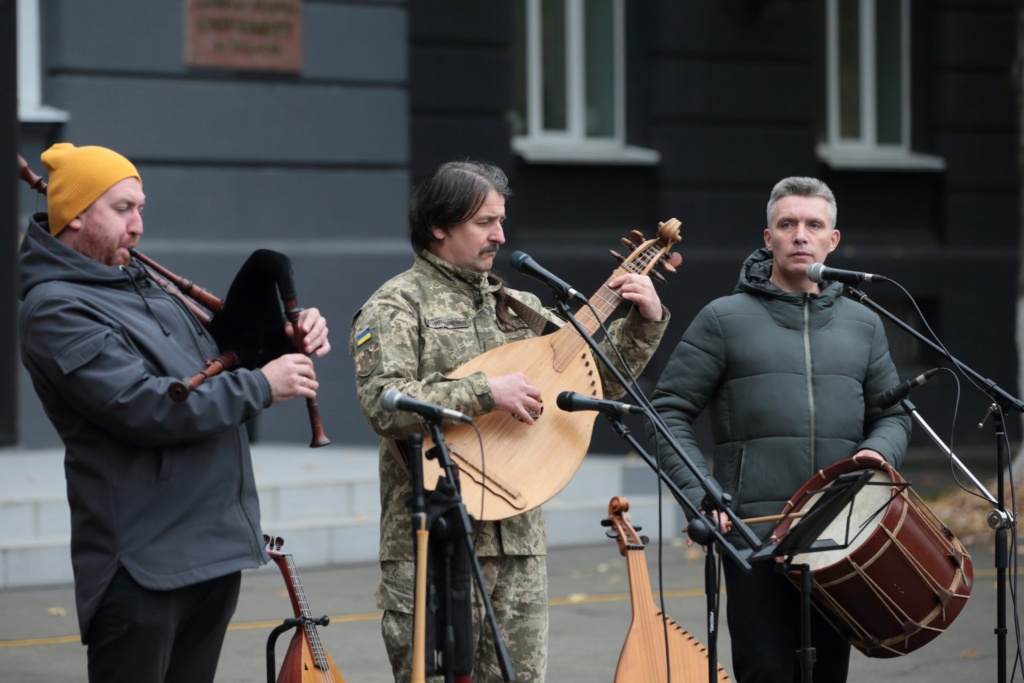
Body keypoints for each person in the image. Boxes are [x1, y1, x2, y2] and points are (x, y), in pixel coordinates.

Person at [17, 143, 331, 683]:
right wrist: (261, 386)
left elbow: (213, 365)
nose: (139, 226)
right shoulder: (56, 308)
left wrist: (284, 344)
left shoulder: (141, 287)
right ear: (76, 215)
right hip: (142, 566)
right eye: (123, 209)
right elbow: (144, 407)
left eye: (141, 208)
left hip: (209, 547)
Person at [349, 160, 670, 682]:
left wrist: (644, 323)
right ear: (439, 225)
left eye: (501, 221)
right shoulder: (396, 305)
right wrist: (484, 391)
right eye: (484, 223)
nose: (500, 235)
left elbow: (594, 390)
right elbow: (384, 403)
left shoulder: (520, 307)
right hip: (432, 543)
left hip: (518, 538)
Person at [647, 176, 911, 682]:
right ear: (767, 238)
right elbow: (667, 410)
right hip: (754, 536)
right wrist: (703, 494)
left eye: (814, 225)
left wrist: (880, 453)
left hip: (841, 537)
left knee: (828, 673)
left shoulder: (864, 323)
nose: (800, 235)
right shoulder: (724, 319)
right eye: (787, 224)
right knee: (767, 672)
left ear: (833, 241)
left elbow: (892, 414)